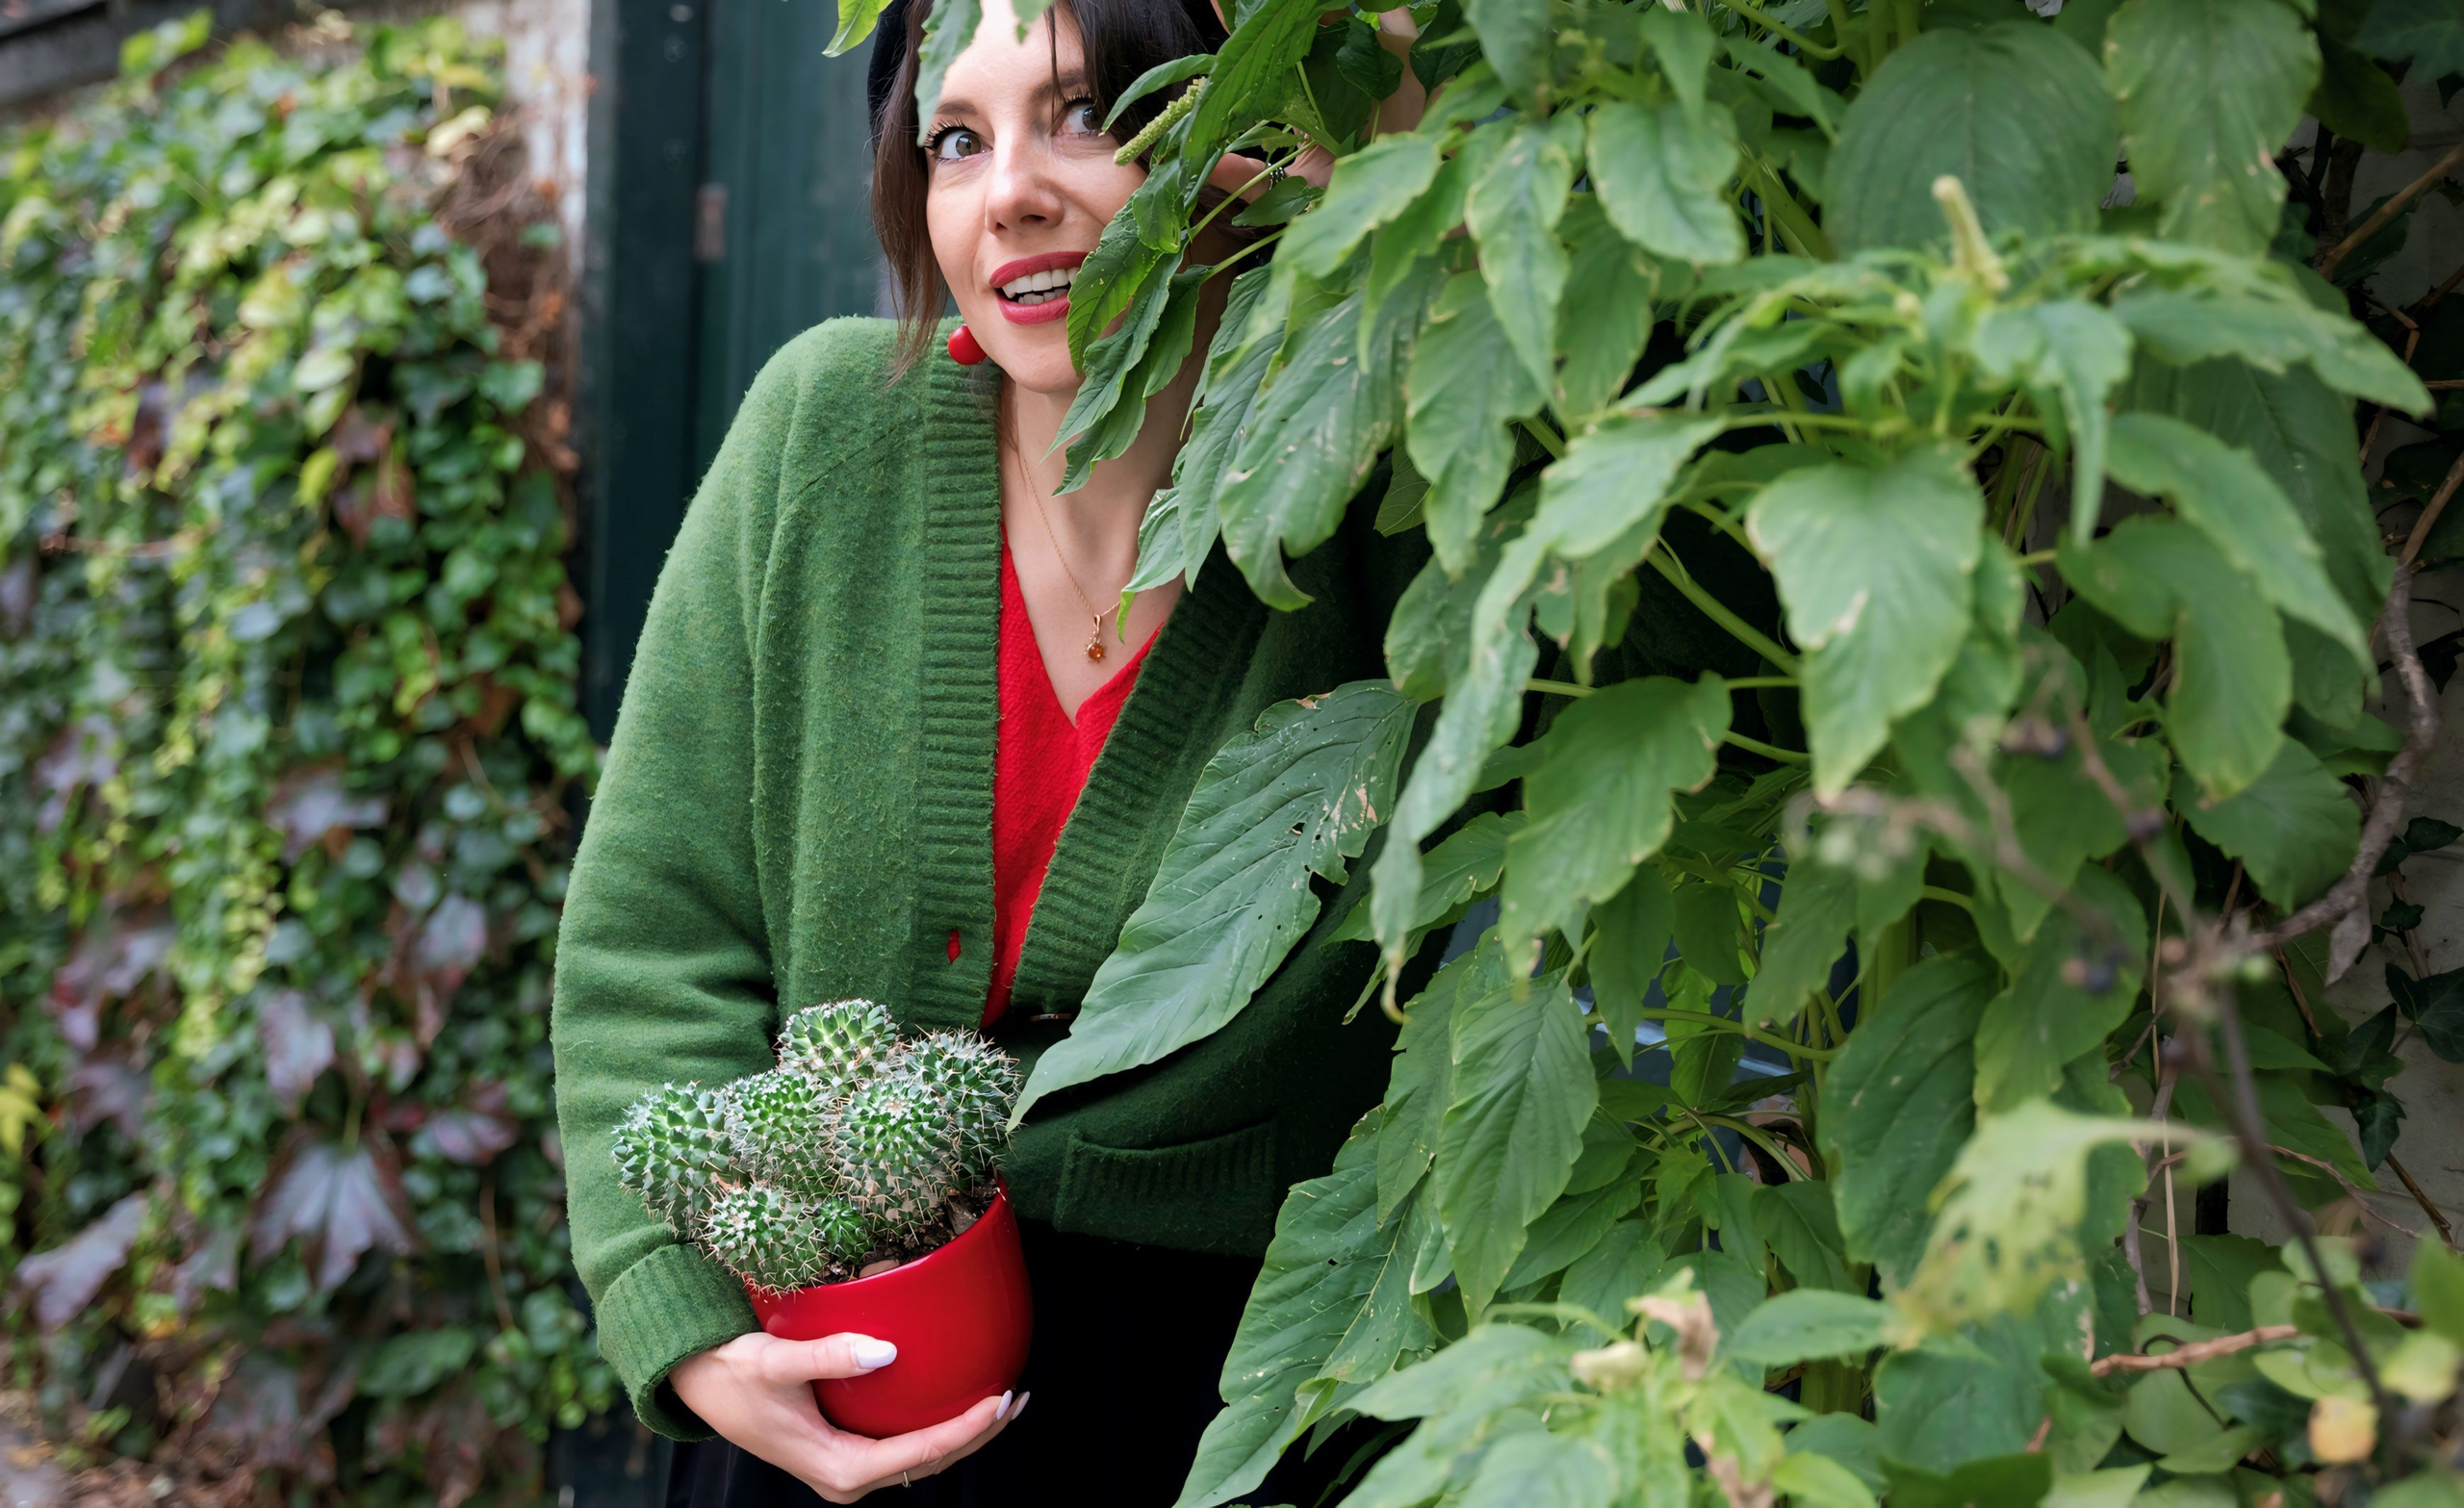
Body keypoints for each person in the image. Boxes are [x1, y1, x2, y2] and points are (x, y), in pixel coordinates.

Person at [549, 0, 1427, 1499]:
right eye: (954, 139)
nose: (1010, 189)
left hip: (1241, 1406)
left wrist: (1399, 167)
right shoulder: (827, 433)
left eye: (1086, 115)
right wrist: (690, 1326)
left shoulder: (1387, 486)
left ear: (1251, 139)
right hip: (837, 1373)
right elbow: (652, 937)